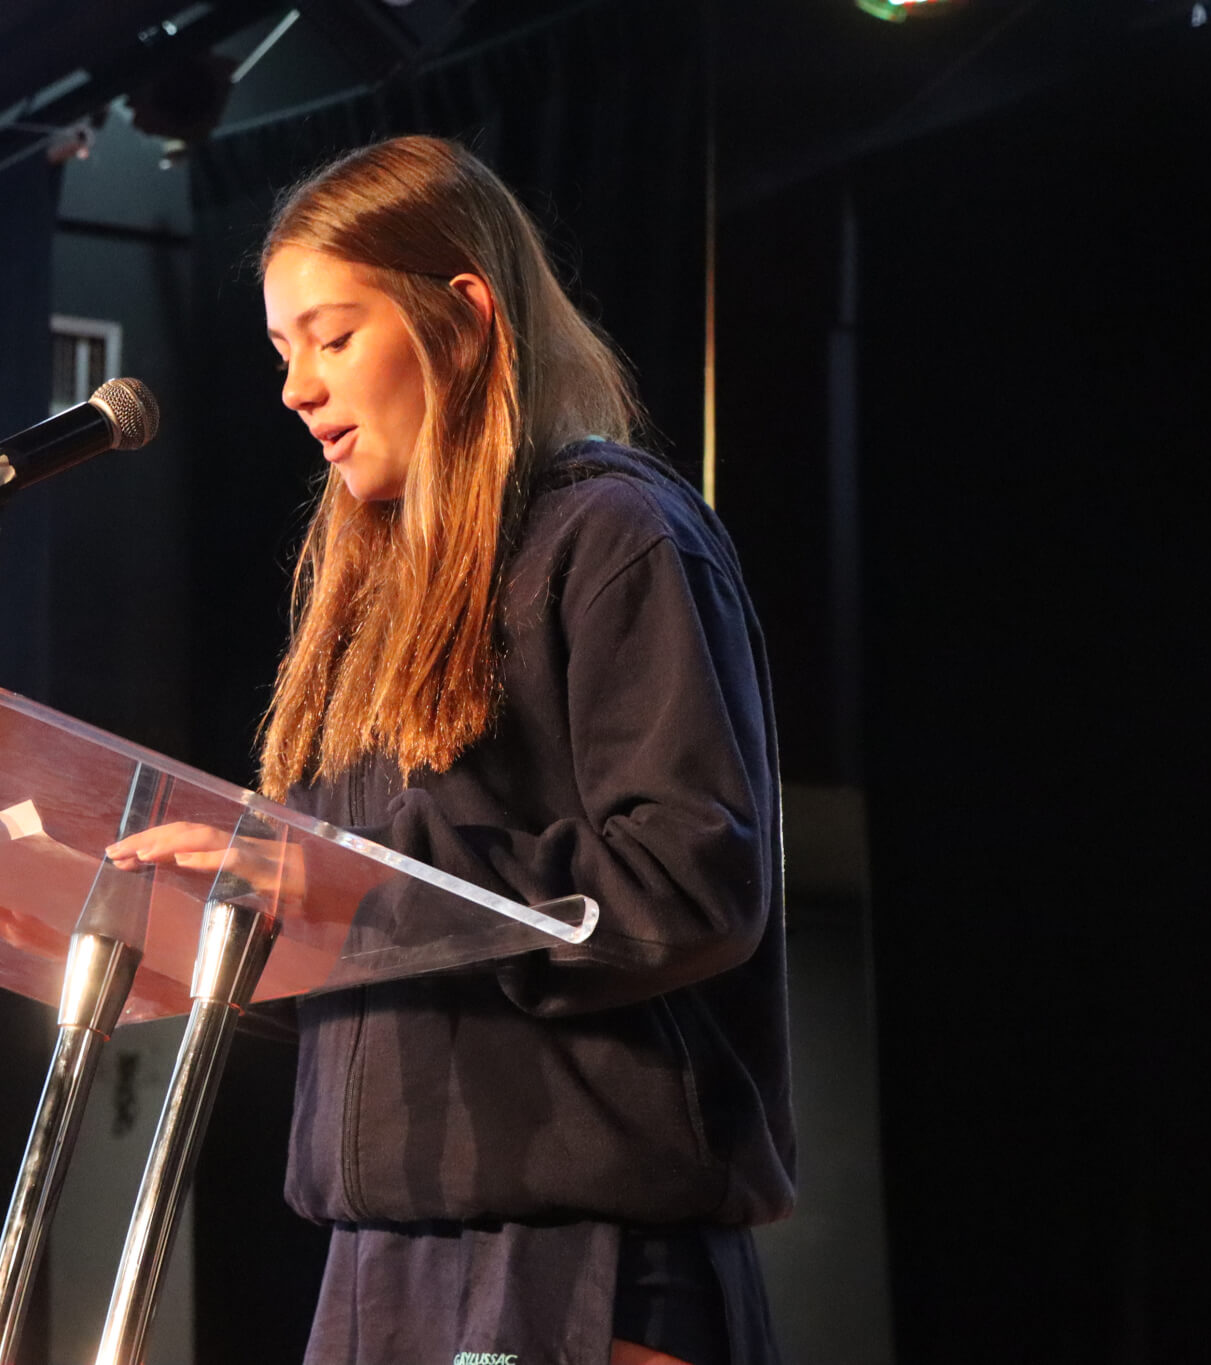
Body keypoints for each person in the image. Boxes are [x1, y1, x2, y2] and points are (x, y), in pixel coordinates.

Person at [106, 136, 793, 1365]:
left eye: (331, 337)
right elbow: (389, 959)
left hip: (576, 1258)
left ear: (462, 318)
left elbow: (691, 879)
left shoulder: (611, 534)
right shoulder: (371, 597)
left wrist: (354, 884)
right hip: (377, 1259)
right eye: (280, 353)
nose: (295, 389)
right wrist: (166, 946)